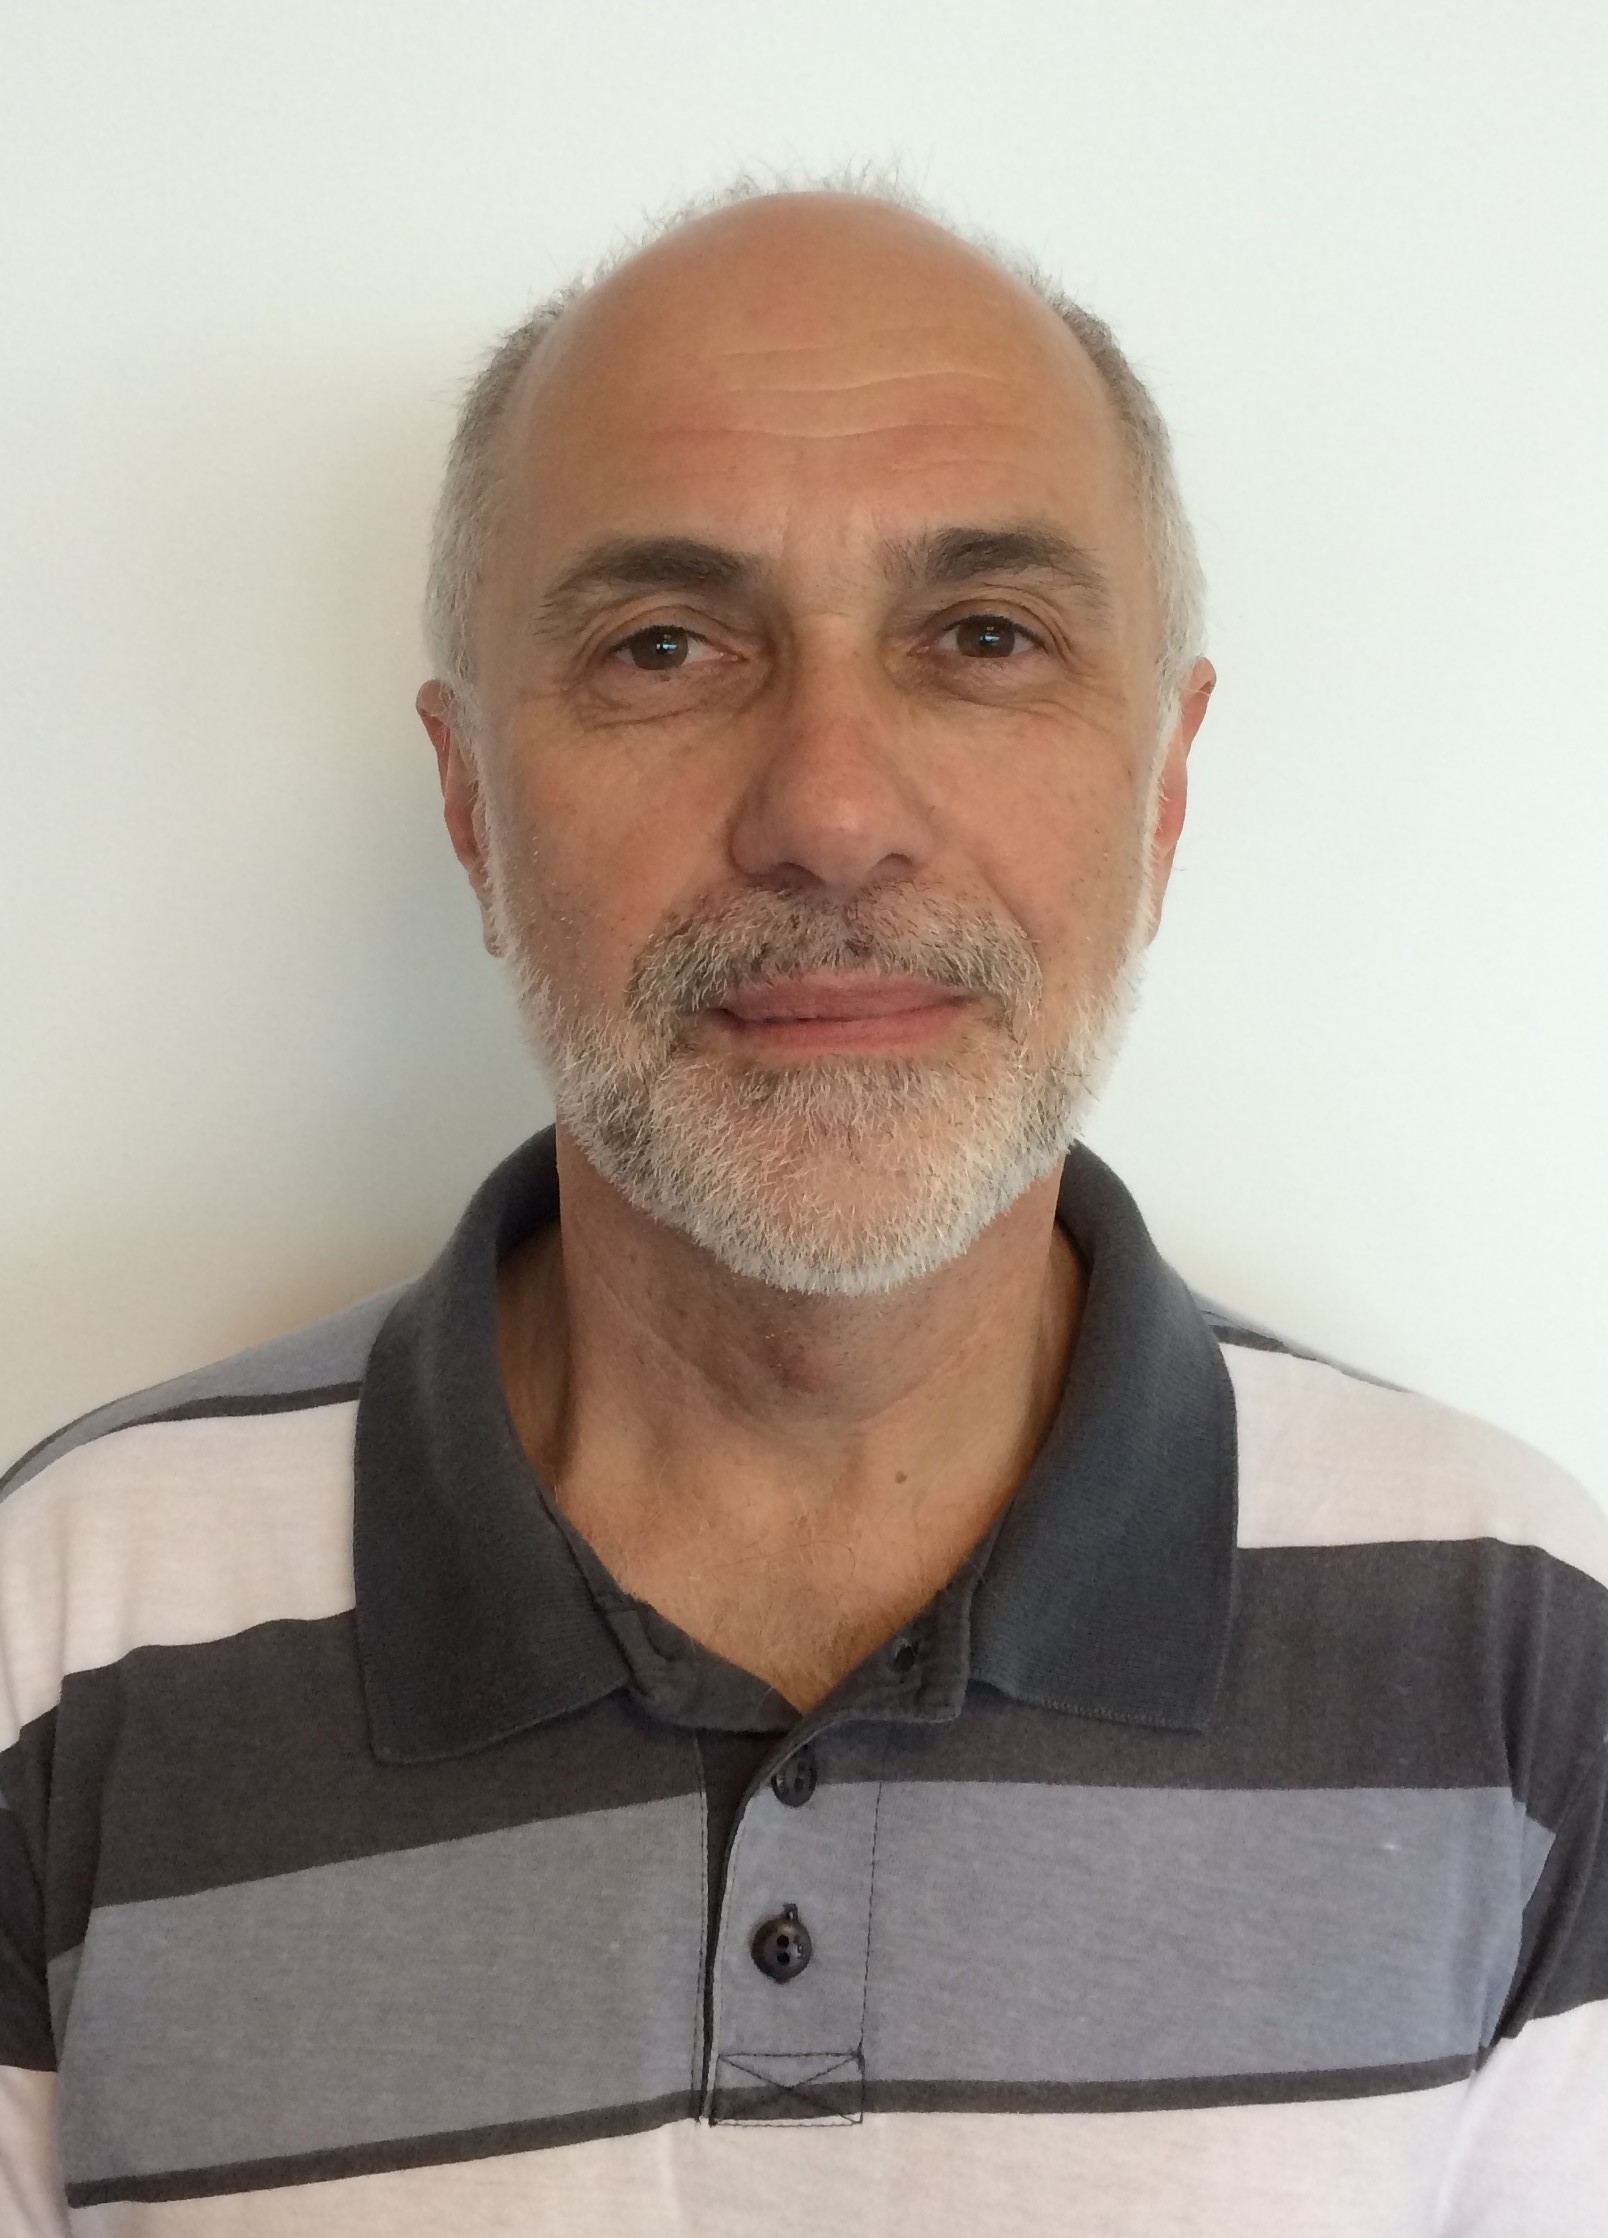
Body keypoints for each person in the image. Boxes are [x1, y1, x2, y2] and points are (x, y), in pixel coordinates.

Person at [1, 177, 1603, 2237]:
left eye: (986, 638)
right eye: (666, 646)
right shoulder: (60, 1643)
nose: (832, 812)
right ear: (471, 800)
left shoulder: (1520, 1660)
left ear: (1165, 785)